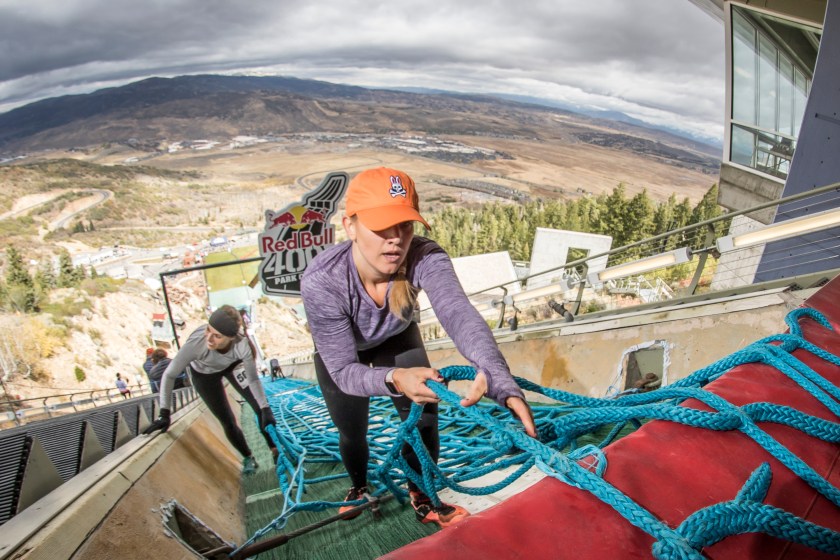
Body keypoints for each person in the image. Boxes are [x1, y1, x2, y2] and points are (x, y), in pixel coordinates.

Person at [301, 167, 536, 529]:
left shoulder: (425, 256)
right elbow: (345, 371)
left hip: (397, 336)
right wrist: (394, 377)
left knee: (425, 418)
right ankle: (358, 485)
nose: (395, 240)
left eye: (405, 226)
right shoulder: (322, 280)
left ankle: (422, 493)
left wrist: (497, 375)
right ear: (350, 226)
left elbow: (458, 312)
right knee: (352, 430)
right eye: (381, 227)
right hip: (343, 356)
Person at [142, 305, 278, 474]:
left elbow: (253, 379)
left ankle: (275, 449)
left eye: (217, 336)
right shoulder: (196, 343)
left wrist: (265, 408)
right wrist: (164, 413)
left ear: (231, 338)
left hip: (232, 366)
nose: (210, 339)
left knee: (259, 407)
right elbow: (169, 375)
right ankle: (248, 457)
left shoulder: (242, 344)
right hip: (204, 375)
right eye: (208, 330)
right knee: (227, 420)